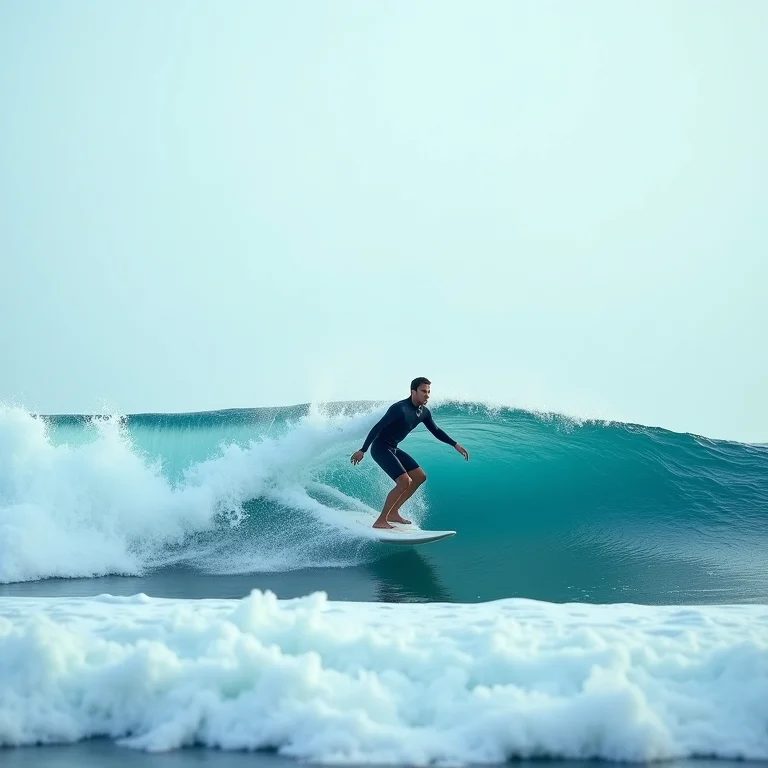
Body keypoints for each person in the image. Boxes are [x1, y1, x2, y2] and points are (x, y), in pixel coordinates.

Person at [350, 377, 469, 529]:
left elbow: (436, 431)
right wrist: (363, 449)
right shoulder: (399, 408)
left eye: (429, 392)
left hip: (392, 447)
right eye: (423, 391)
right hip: (380, 448)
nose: (427, 395)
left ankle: (393, 512)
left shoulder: (423, 412)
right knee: (404, 481)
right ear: (413, 392)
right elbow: (378, 427)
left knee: (420, 477)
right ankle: (380, 521)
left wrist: (455, 444)